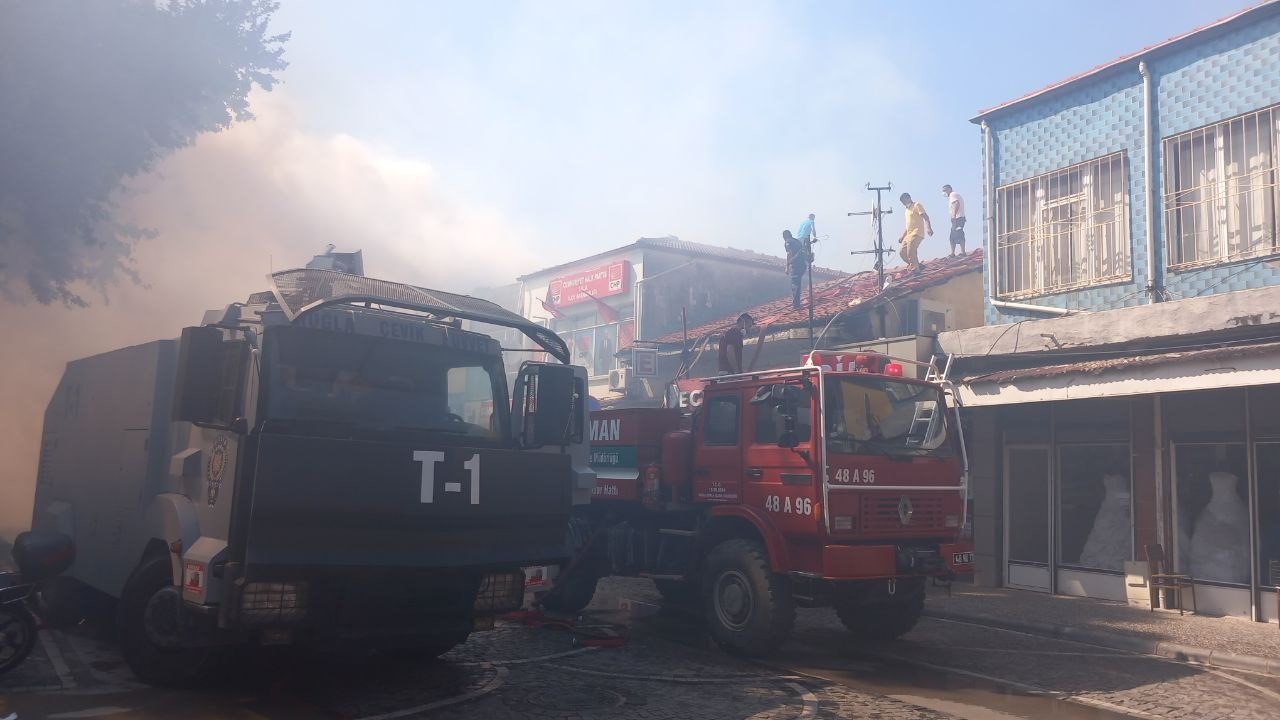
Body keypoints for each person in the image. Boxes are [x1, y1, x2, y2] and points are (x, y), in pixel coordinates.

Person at [897, 192, 933, 275]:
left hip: (917, 232)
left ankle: (915, 270)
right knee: (902, 252)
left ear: (909, 198)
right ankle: (917, 265)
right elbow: (908, 226)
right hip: (908, 234)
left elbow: (926, 217)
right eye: (902, 202)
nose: (903, 203)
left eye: (904, 201)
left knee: (911, 250)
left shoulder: (917, 205)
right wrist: (902, 237)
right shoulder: (907, 210)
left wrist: (928, 228)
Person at [783, 230, 809, 309]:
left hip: (796, 265)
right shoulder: (797, 241)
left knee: (795, 284)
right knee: (797, 283)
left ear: (784, 237)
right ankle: (796, 303)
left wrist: (787, 267)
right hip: (803, 265)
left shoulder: (788, 242)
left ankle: (796, 305)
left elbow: (789, 253)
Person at [943, 184, 966, 256]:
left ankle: (962, 252)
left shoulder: (952, 194)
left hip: (958, 218)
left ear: (949, 189)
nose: (944, 192)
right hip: (958, 218)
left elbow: (956, 203)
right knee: (953, 236)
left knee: (959, 233)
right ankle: (953, 253)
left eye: (945, 190)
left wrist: (953, 215)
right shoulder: (952, 196)